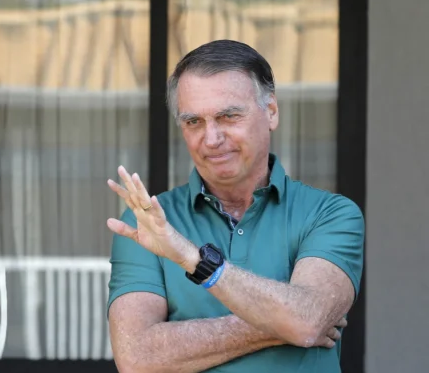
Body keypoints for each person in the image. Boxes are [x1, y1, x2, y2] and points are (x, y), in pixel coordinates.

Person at [105, 39, 364, 373]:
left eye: (228, 116)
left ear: (271, 112)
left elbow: (307, 320)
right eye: (193, 122)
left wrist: (192, 258)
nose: (212, 139)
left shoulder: (329, 214)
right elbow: (136, 358)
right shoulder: (148, 223)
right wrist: (281, 323)